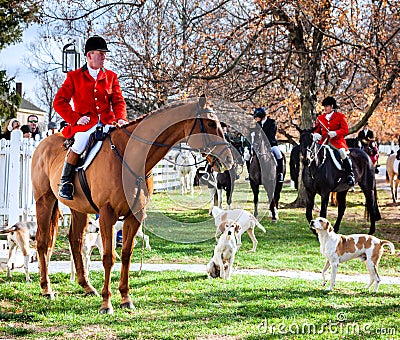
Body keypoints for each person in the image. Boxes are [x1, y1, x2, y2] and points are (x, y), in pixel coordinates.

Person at [53, 35, 128, 200]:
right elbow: (59, 102)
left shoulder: (111, 76)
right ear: (89, 55)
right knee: (80, 142)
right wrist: (75, 118)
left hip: (108, 123)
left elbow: (118, 101)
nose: (104, 56)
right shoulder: (74, 76)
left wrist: (121, 118)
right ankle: (65, 183)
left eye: (104, 53)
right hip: (86, 125)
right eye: (100, 53)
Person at [312, 96, 355, 186]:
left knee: (342, 153)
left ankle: (350, 175)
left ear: (332, 106)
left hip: (337, 142)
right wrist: (316, 134)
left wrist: (335, 133)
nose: (325, 108)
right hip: (323, 142)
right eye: (324, 106)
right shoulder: (320, 118)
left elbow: (345, 130)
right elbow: (317, 130)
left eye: (327, 106)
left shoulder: (340, 116)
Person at [253, 107, 284, 182]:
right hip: (259, 145)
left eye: (256, 117)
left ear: (261, 116)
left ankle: (280, 174)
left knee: (279, 155)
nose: (256, 119)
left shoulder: (272, 122)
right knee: (249, 156)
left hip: (271, 144)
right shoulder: (257, 124)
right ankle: (251, 174)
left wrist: (266, 144)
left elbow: (271, 135)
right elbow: (256, 135)